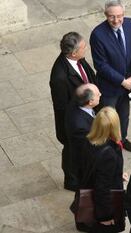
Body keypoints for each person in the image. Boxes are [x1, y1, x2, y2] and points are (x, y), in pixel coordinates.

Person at [90, 0, 131, 153]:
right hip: (109, 87)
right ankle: (107, 147)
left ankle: (122, 140)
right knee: (107, 120)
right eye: (112, 16)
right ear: (105, 15)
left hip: (129, 83)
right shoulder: (98, 34)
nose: (116, 20)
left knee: (124, 115)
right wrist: (122, 81)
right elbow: (100, 65)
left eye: (120, 16)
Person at [50, 31, 96, 191]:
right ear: (73, 52)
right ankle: (71, 180)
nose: (86, 49)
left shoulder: (79, 60)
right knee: (71, 151)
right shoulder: (59, 77)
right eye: (83, 47)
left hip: (86, 112)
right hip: (72, 123)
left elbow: (89, 78)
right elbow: (62, 107)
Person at [80, 107, 126, 232]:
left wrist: (117, 173)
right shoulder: (108, 153)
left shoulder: (89, 140)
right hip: (106, 203)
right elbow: (102, 188)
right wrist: (106, 216)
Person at [65, 84, 101, 184]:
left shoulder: (77, 103)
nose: (100, 95)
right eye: (98, 95)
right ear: (90, 102)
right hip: (87, 167)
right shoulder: (80, 126)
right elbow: (89, 150)